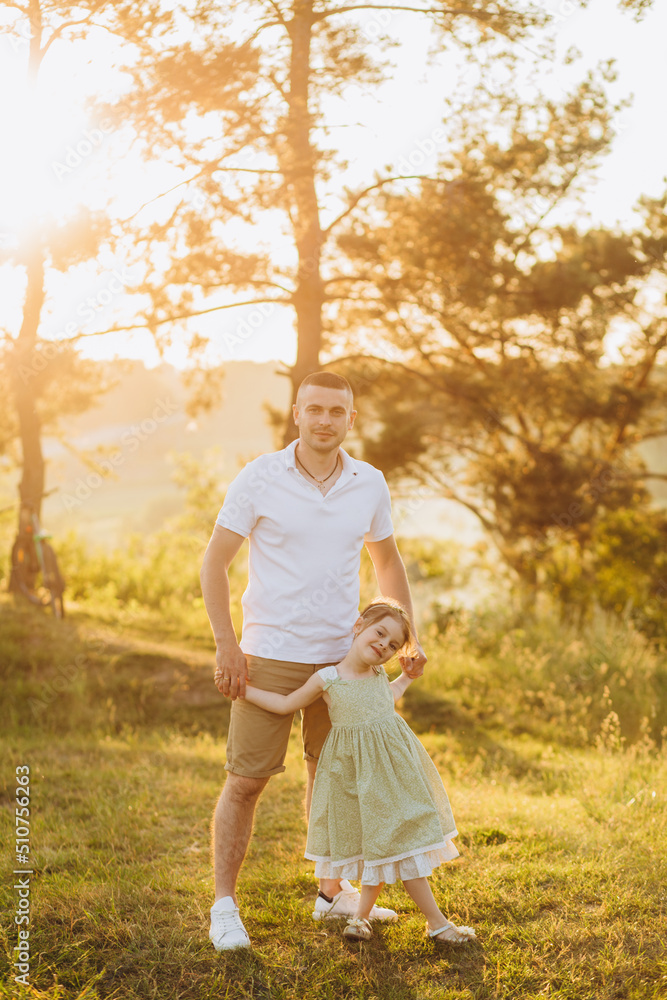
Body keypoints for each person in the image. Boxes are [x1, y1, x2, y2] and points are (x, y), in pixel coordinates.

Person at [200, 371, 427, 951]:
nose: (326, 419)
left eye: (337, 411)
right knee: (247, 780)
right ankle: (224, 906)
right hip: (269, 652)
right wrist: (227, 643)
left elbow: (388, 565)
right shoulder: (259, 477)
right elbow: (214, 563)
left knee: (334, 778)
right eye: (315, 409)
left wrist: (409, 636)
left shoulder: (369, 483)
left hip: (344, 661)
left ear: (351, 419)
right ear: (297, 413)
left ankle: (331, 894)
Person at [243, 598, 476, 945]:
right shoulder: (329, 678)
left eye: (393, 644)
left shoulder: (379, 673)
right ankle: (429, 924)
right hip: (358, 777)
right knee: (381, 844)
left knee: (396, 843)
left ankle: (370, 919)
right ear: (359, 627)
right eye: (380, 633)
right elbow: (285, 704)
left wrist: (408, 678)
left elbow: (388, 696)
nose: (384, 645)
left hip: (395, 773)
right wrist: (242, 689)